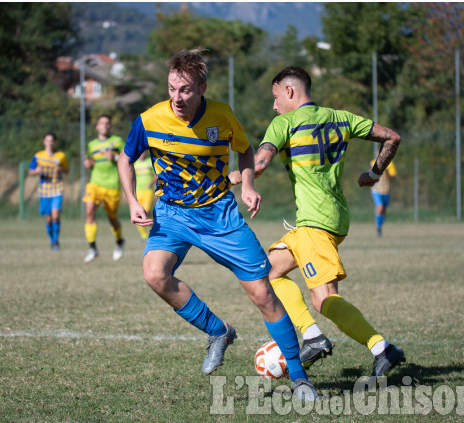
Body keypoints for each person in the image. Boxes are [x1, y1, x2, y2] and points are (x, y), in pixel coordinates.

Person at [117, 48, 318, 401]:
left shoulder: (222, 115)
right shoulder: (149, 119)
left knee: (262, 293)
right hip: (173, 214)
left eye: (185, 90)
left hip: (219, 214)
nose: (177, 98)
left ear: (202, 88)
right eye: (172, 89)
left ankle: (300, 378)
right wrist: (133, 201)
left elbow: (244, 149)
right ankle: (218, 331)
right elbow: (125, 158)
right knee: (154, 274)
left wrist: (249, 186)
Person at [231, 66, 405, 382]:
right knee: (266, 273)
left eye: (274, 97)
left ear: (289, 91)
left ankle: (370, 346)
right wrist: (375, 174)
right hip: (331, 218)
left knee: (323, 299)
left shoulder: (284, 123)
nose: (273, 106)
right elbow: (392, 137)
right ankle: (349, 343)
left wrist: (228, 178)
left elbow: (258, 164)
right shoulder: (342, 117)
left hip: (315, 223)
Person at [82, 115, 125, 263]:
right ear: (97, 127)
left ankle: (119, 242)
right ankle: (92, 248)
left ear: (110, 127)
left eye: (107, 123)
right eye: (101, 123)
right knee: (89, 212)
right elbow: (91, 162)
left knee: (112, 218)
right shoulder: (92, 144)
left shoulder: (117, 141)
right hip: (95, 183)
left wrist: (114, 157)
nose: (104, 125)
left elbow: (128, 158)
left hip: (112, 185)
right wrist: (88, 164)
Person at [28, 132, 69, 251]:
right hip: (44, 191)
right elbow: (31, 171)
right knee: (48, 219)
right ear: (44, 141)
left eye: (52, 140)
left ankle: (56, 241)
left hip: (57, 189)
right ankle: (51, 240)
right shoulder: (38, 156)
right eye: (47, 140)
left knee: (55, 216)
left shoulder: (61, 156)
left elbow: (67, 171)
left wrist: (60, 169)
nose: (50, 142)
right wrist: (36, 171)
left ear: (54, 142)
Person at [133, 151, 157, 240]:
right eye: (140, 153)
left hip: (147, 191)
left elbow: (156, 174)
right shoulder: (135, 164)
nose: (142, 154)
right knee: (140, 215)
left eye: (143, 152)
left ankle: (152, 233)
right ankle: (144, 236)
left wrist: (151, 183)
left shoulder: (149, 162)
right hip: (138, 191)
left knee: (146, 211)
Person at [371, 158, 396, 237]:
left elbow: (393, 176)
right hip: (376, 189)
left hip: (386, 189)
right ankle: (378, 228)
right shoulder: (373, 163)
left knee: (384, 211)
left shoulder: (389, 164)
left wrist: (387, 172)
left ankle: (380, 226)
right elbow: (370, 174)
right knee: (380, 207)